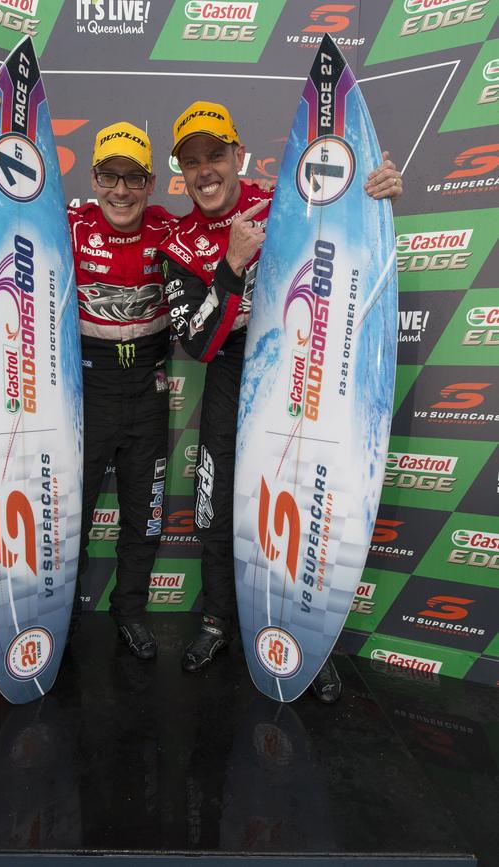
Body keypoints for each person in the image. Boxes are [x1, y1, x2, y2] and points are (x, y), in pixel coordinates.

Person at [160, 101, 402, 701]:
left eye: (215, 154)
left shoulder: (289, 199)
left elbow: (348, 238)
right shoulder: (179, 243)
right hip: (227, 372)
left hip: (295, 374)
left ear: (238, 155)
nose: (205, 170)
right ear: (181, 173)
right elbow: (195, 342)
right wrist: (232, 266)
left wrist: (375, 194)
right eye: (192, 162)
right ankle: (219, 622)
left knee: (299, 501)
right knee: (215, 508)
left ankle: (306, 643)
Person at [0, 75, 177, 660]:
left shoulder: (169, 228)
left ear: (150, 183)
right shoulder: (66, 224)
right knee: (67, 514)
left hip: (150, 387)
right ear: (93, 179)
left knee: (147, 513)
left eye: (133, 177)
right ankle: (62, 616)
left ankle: (129, 610)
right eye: (109, 175)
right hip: (84, 385)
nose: (120, 189)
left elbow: (258, 216)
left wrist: (367, 194)